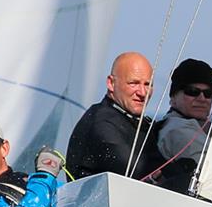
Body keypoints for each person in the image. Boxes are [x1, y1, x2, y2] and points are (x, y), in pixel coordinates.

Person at [66, 52, 165, 180]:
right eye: (133, 83)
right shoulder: (101, 122)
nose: (142, 92)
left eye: (148, 84)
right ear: (111, 83)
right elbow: (137, 170)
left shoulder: (137, 122)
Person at [155, 58, 212, 193]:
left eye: (208, 94)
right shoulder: (177, 129)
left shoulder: (204, 127)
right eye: (192, 91)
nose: (202, 98)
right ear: (173, 98)